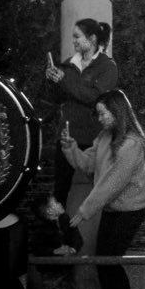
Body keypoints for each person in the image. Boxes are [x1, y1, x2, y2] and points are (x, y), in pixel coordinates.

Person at [58, 89, 145, 289]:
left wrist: (85, 210)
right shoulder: (103, 137)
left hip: (131, 210)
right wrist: (71, 149)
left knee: (108, 262)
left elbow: (111, 183)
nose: (99, 118)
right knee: (105, 262)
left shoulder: (132, 143)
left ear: (117, 111)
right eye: (97, 113)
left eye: (103, 113)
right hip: (112, 208)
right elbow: (87, 165)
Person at [44, 18, 120, 227]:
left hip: (96, 138)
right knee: (59, 190)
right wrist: (51, 81)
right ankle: (59, 241)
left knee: (104, 190)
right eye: (73, 37)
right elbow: (57, 98)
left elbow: (95, 98)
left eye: (77, 36)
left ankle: (106, 244)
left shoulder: (107, 67)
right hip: (67, 137)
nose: (74, 41)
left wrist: (64, 81)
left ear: (92, 39)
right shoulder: (68, 64)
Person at [31, 197, 83, 289]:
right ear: (49, 211)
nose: (60, 203)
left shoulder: (66, 220)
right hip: (50, 270)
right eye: (55, 202)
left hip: (66, 267)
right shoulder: (39, 227)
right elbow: (37, 247)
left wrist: (72, 249)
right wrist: (55, 251)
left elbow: (77, 238)